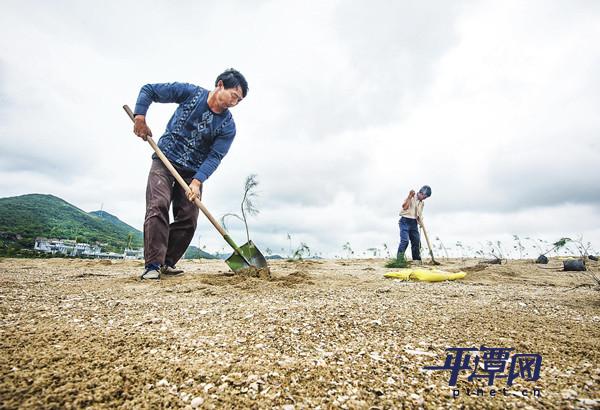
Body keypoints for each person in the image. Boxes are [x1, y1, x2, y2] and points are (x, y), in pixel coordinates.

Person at [132, 69, 248, 279]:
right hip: (165, 160)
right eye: (234, 96)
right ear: (220, 85)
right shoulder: (189, 93)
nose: (234, 103)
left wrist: (197, 181)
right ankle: (153, 266)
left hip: (193, 172)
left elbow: (215, 156)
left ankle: (167, 262)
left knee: (188, 217)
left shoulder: (228, 126)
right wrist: (140, 117)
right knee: (158, 205)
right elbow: (149, 90)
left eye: (239, 101)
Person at [397, 185, 432, 262]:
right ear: (421, 193)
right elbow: (405, 207)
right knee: (405, 241)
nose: (424, 199)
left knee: (416, 240)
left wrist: (420, 221)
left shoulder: (422, 203)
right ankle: (399, 260)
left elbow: (419, 214)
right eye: (425, 197)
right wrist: (409, 197)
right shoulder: (411, 197)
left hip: (414, 223)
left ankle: (416, 260)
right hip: (404, 221)